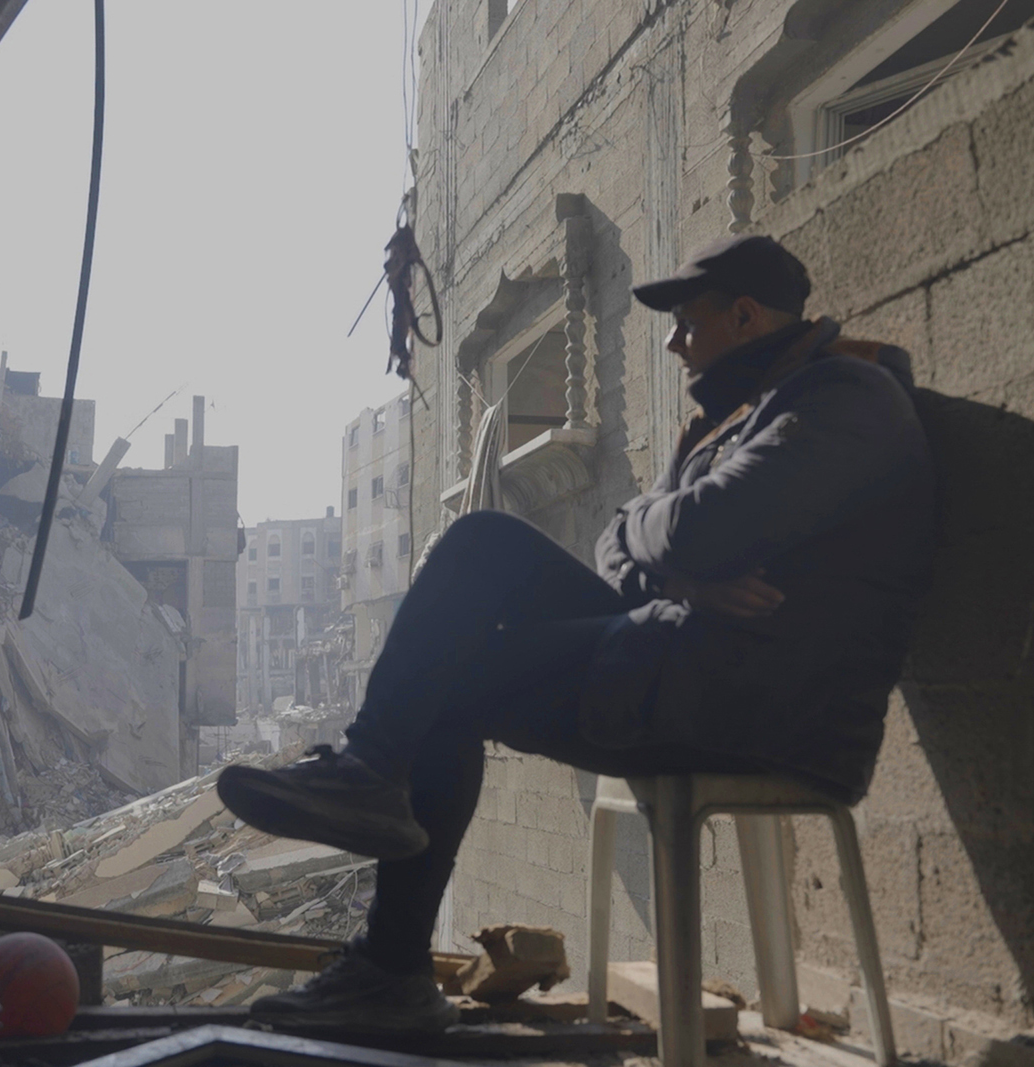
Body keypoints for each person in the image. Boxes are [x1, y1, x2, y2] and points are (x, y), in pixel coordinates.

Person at [216, 235, 935, 1033]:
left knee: (444, 687)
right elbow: (621, 539)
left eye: (686, 323)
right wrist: (683, 569)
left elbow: (698, 527)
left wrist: (673, 550)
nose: (672, 341)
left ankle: (387, 953)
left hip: (761, 705)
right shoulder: (738, 417)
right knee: (482, 542)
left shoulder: (843, 400)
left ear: (742, 314)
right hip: (690, 659)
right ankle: (372, 774)